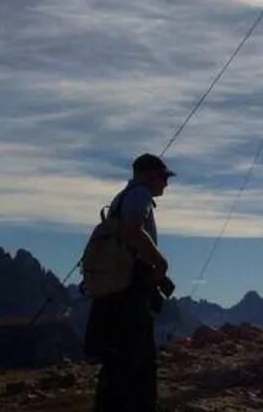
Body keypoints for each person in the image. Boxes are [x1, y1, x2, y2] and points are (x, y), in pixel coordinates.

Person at [84, 152, 175, 412]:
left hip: (113, 288)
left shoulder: (119, 199)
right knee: (138, 359)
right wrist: (160, 262)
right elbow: (133, 230)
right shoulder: (139, 196)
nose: (166, 184)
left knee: (117, 361)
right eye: (163, 177)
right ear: (146, 175)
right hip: (130, 289)